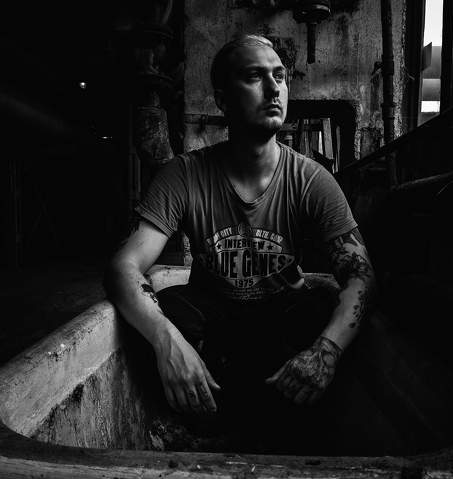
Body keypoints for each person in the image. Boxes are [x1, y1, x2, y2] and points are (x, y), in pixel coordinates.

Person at [104, 35, 374, 447]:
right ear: (223, 99)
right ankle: (204, 427)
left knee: (322, 310)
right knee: (168, 310)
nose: (274, 89)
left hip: (277, 328)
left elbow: (361, 276)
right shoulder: (185, 174)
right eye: (254, 76)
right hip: (216, 331)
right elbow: (123, 267)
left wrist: (326, 352)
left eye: (280, 77)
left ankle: (279, 431)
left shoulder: (311, 179)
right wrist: (166, 341)